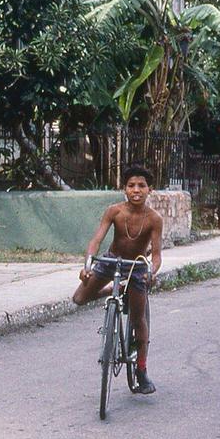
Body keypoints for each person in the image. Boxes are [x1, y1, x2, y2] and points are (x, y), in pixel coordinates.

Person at [72, 164, 163, 394]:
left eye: (141, 185)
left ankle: (141, 370)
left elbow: (158, 254)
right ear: (124, 188)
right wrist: (87, 265)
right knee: (79, 297)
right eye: (131, 185)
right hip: (112, 261)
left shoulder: (154, 218)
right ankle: (118, 290)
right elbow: (96, 239)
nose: (136, 190)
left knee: (137, 317)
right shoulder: (114, 211)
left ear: (149, 190)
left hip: (137, 266)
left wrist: (151, 272)